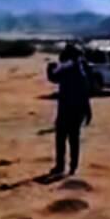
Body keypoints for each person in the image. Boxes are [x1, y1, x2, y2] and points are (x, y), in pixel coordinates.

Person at [46, 44, 93, 176]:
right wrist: (88, 111)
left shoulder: (68, 70)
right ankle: (72, 167)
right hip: (77, 111)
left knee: (62, 139)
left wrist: (50, 68)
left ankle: (61, 166)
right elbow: (86, 94)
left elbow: (53, 77)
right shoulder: (82, 72)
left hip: (66, 110)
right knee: (73, 140)